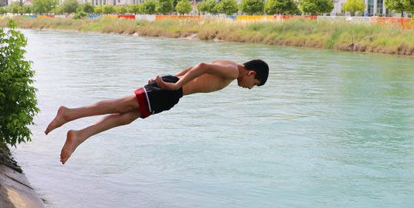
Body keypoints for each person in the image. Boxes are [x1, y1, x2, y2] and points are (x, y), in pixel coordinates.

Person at [45, 59, 269, 164]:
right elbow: (201, 66)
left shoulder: (230, 65)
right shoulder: (232, 71)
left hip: (172, 91)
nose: (250, 88)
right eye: (254, 84)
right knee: (120, 105)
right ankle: (69, 114)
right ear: (251, 74)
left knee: (127, 117)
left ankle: (80, 135)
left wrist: (172, 79)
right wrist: (174, 84)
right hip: (172, 92)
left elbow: (195, 68)